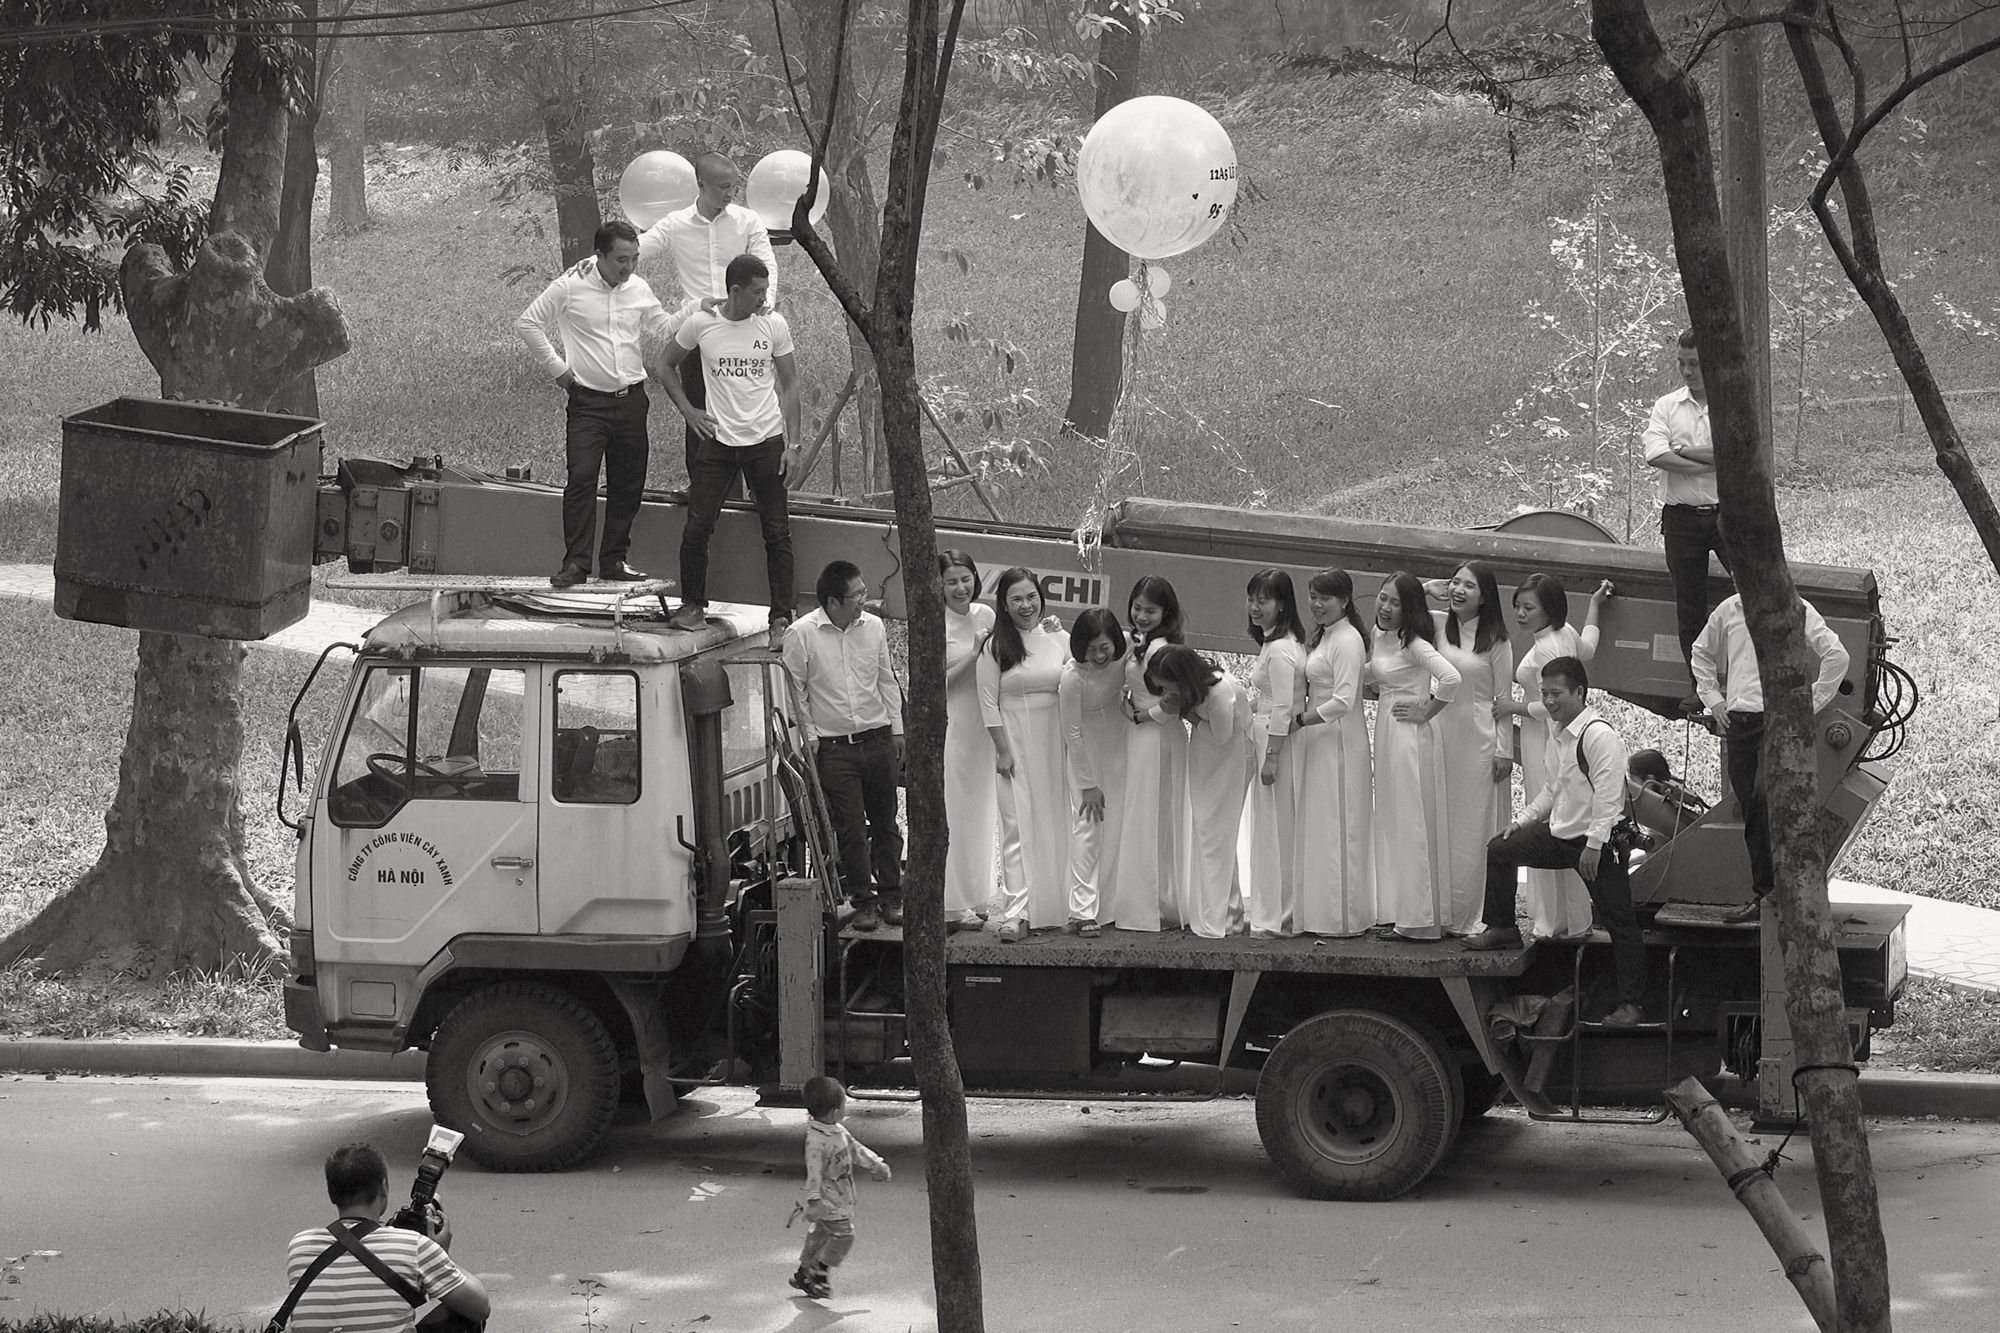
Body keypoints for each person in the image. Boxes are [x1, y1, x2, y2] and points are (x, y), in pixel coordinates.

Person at [1467, 656, 1647, 1028]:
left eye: (1557, 694)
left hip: (1597, 843)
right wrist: (1522, 821)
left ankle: (1632, 1003)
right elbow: (1553, 789)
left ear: (1580, 692)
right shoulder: (1557, 731)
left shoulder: (1598, 736)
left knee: (1620, 923)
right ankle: (1501, 927)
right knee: (1500, 849)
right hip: (1560, 834)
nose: (1549, 702)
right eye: (1545, 693)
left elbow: (1610, 797)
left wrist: (1595, 846)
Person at [516, 219, 680, 589]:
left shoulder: (638, 288)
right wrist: (559, 369)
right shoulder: (571, 286)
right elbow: (528, 323)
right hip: (588, 401)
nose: (629, 267)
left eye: (635, 259)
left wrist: (701, 308)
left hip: (631, 400)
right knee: (582, 478)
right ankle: (575, 563)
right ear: (600, 255)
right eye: (621, 259)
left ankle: (614, 560)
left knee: (628, 482)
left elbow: (663, 326)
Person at [1690, 589, 1850, 922]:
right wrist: (1713, 699)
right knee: (1751, 807)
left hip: (1776, 721)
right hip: (1738, 722)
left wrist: (1807, 705)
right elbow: (1700, 651)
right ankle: (1765, 894)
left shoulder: (1795, 608)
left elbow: (1837, 656)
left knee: (1768, 803)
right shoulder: (1729, 608)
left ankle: (1778, 893)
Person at [660, 253, 801, 632]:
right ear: (735, 291)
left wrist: (794, 444)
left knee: (776, 530)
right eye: (756, 291)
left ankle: (781, 616)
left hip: (766, 439)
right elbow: (663, 365)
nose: (763, 298)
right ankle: (692, 606)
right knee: (697, 527)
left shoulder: (773, 325)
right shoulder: (702, 324)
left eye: (765, 290)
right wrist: (689, 411)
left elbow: (789, 385)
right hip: (719, 440)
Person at [637, 151, 780, 479]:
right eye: (722, 187)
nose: (730, 194)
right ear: (701, 185)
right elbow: (639, 249)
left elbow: (766, 261)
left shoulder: (748, 220)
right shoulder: (676, 224)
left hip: (744, 327)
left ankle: (752, 487)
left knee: (748, 407)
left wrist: (765, 300)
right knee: (700, 413)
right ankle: (702, 489)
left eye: (734, 186)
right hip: (699, 331)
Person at [783, 561, 905, 931]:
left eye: (865, 593)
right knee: (850, 827)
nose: (864, 602)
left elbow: (886, 679)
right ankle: (863, 900)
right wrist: (811, 740)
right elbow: (795, 693)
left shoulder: (874, 627)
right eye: (858, 596)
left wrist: (897, 728)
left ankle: (891, 894)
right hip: (835, 748)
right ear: (833, 602)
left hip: (878, 738)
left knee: (886, 823)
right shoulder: (801, 634)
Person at [1496, 574, 1610, 941]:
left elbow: (1551, 705)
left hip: (1542, 736)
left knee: (1551, 819)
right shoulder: (1566, 633)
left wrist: (1513, 706)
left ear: (1550, 608)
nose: (1520, 613)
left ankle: (1552, 920)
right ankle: (1571, 918)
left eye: (1529, 607)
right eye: (1518, 606)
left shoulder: (1547, 648)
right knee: (1563, 818)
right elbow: (1589, 648)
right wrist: (1595, 606)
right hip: (1550, 735)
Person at [282, 1143, 490, 1333]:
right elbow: (481, 1308)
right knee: (464, 1312)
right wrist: (441, 1254)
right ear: (383, 1188)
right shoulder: (414, 1247)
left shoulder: (300, 1245)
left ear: (331, 1194)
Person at [1367, 571, 1462, 940]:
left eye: (1396, 603)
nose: (1386, 608)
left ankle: (1418, 921)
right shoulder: (1380, 634)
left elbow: (1451, 678)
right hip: (1388, 731)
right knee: (1392, 818)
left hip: (1410, 735)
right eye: (1383, 598)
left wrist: (1428, 710)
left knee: (1411, 823)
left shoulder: (1414, 644)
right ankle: (1397, 907)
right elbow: (1375, 670)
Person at [978, 567, 1070, 941]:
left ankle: (1052, 906)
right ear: (1003, 604)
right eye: (1017, 598)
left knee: (1053, 823)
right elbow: (987, 702)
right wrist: (1002, 750)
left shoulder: (1055, 641)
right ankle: (1016, 912)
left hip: (1053, 741)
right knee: (1016, 826)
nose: (1026, 605)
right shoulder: (994, 645)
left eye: (1031, 596)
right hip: (1013, 743)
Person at [1643, 329, 1733, 705]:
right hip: (1680, 519)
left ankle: (1752, 675)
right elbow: (1656, 455)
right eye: (1681, 363)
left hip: (1727, 516)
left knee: (1754, 592)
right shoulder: (1667, 406)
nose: (1686, 371)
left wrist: (1686, 452)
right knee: (1689, 607)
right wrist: (1703, 463)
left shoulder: (1730, 404)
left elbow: (1736, 454)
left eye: (1693, 364)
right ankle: (1701, 688)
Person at [1426, 563, 1515, 936]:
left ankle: (1471, 913)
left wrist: (1504, 750)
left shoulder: (1496, 639)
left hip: (1479, 742)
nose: (1460, 591)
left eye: (1470, 586)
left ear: (1485, 596)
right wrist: (1428, 586)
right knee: (1438, 822)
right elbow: (1392, 604)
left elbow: (1504, 698)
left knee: (1473, 828)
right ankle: (1434, 910)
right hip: (1440, 734)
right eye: (1456, 583)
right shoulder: (1435, 624)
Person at [1147, 645, 1249, 937]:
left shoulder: (1218, 695)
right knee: (1207, 831)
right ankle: (1223, 910)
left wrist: (1184, 712)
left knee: (1216, 834)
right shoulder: (1202, 691)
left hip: (1230, 759)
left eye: (1168, 687)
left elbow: (1222, 735)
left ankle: (1226, 916)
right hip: (1208, 758)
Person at [1293, 568, 1374, 937]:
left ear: (1344, 600)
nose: (1316, 604)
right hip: (1319, 740)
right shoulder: (1328, 634)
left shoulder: (1348, 640)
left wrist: (1302, 719)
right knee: (1322, 825)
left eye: (1324, 598)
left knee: (1340, 826)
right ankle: (1318, 910)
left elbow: (1344, 700)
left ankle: (1343, 917)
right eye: (1312, 596)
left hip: (1339, 740)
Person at [1112, 576, 1188, 932]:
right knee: (1143, 813)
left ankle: (1154, 904)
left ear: (1166, 612)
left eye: (1151, 610)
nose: (1141, 615)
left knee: (1153, 815)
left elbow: (1175, 701)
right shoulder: (1141, 643)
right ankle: (1145, 899)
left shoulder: (1162, 650)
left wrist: (1142, 714)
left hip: (1157, 734)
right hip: (1140, 734)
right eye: (1137, 608)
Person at [1239, 569, 1308, 939]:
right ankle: (1276, 911)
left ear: (1281, 604)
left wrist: (1273, 755)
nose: (1254, 607)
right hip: (1266, 732)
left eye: (1263, 600)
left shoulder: (1281, 649)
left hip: (1276, 740)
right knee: (1271, 828)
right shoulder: (1277, 642)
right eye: (1251, 599)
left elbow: (1283, 707)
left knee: (1277, 830)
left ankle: (1278, 915)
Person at [1059, 609, 1130, 937]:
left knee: (1117, 826)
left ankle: (1112, 904)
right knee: (1088, 827)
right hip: (1087, 753)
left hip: (1121, 744)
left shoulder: (1125, 651)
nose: (1100, 655)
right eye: (1092, 649)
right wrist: (1087, 784)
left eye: (1105, 647)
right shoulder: (1072, 678)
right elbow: (1071, 733)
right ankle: (1082, 909)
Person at [790, 1075, 890, 1302]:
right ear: (835, 1111)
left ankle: (804, 1272)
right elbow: (813, 1173)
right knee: (844, 1235)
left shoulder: (837, 1131)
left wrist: (876, 1164)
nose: (846, 1108)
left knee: (821, 1236)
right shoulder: (816, 1142)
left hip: (840, 1199)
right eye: (844, 1104)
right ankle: (821, 1271)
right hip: (828, 1202)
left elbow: (856, 1149)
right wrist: (814, 1200)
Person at [939, 551, 997, 931]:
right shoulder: (935, 624)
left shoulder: (987, 615)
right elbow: (938, 682)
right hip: (953, 723)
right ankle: (950, 903)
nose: (961, 588)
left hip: (986, 724)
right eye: (951, 581)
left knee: (982, 812)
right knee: (954, 813)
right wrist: (975, 652)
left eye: (966, 579)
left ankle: (978, 895)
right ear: (939, 586)